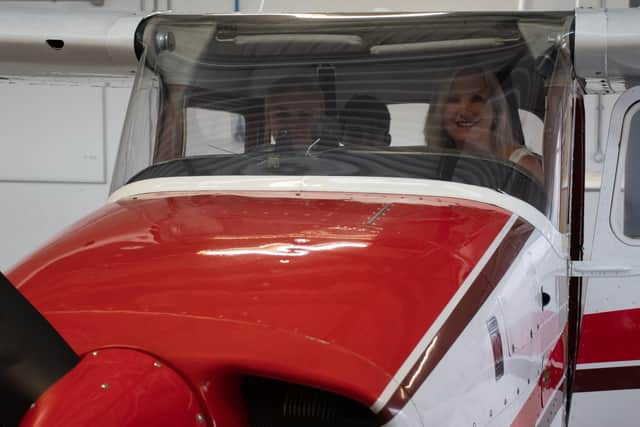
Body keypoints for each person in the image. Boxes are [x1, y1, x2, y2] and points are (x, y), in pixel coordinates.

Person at [424, 68, 543, 181]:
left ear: (495, 110)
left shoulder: (522, 167)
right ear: (440, 111)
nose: (465, 110)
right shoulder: (428, 164)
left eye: (477, 99)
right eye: (454, 99)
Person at [264, 76, 326, 146]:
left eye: (305, 114)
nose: (293, 125)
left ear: (320, 120)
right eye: (282, 115)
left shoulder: (339, 155)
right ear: (268, 121)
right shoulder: (253, 156)